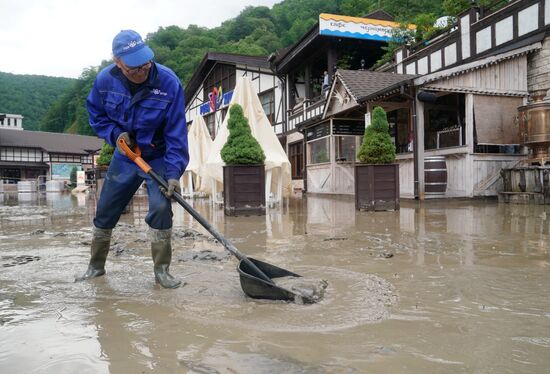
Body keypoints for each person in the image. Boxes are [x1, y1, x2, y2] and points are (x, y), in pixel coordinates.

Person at [76, 30, 189, 288]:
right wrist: (115, 134)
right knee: (105, 210)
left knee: (161, 208)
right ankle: (95, 267)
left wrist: (173, 173)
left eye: (146, 63)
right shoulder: (105, 81)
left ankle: (162, 272)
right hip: (126, 154)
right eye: (134, 68)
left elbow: (177, 134)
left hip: (158, 155)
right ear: (118, 62)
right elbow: (96, 115)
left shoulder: (169, 83)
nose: (143, 71)